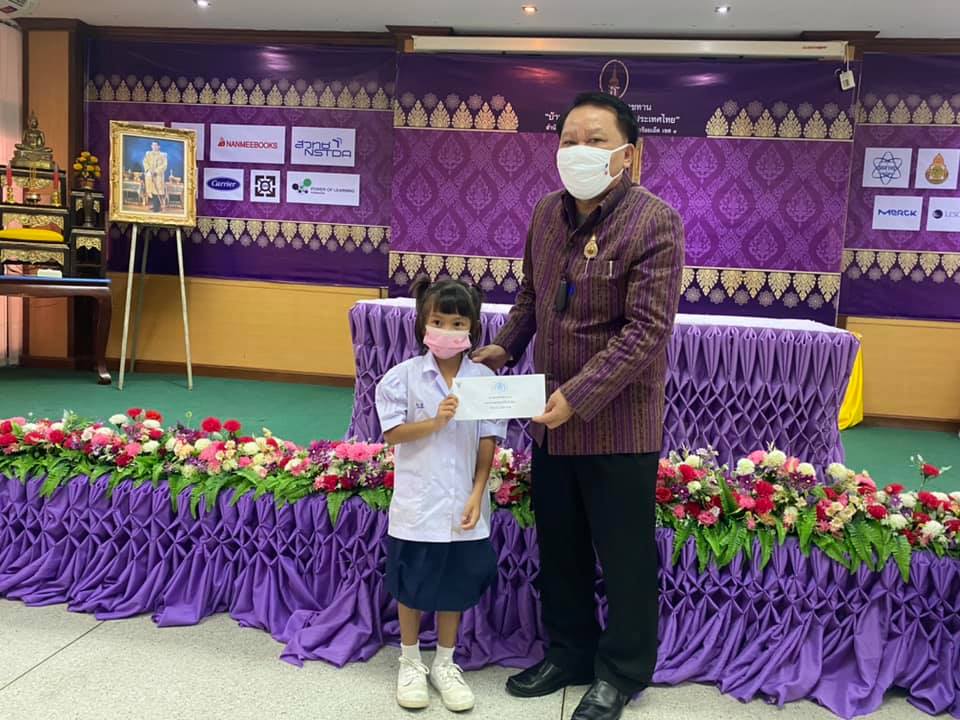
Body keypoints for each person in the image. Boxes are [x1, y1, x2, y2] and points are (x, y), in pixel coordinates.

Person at [473, 92, 685, 720]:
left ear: (629, 155)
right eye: (569, 139)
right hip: (552, 424)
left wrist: (578, 396)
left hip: (619, 426)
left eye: (595, 140)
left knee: (623, 558)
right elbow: (532, 299)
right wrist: (504, 348)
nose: (578, 151)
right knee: (560, 550)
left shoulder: (655, 222)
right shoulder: (545, 213)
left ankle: (621, 672)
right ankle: (569, 652)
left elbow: (646, 332)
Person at [375, 278, 507, 712]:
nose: (447, 330)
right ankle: (410, 660)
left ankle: (445, 664)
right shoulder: (403, 378)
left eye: (457, 323)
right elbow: (393, 433)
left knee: (455, 586)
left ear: (471, 328)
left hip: (463, 505)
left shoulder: (483, 380)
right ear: (423, 324)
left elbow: (488, 440)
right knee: (410, 584)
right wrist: (435, 421)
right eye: (438, 321)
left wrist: (477, 493)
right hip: (418, 503)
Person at [142, 141, 167, 212]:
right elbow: (145, 162)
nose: (154, 147)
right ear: (151, 146)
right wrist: (148, 170)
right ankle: (154, 205)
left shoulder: (163, 155)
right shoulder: (148, 154)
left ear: (159, 146)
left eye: (156, 145)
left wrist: (156, 171)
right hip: (150, 175)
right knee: (151, 190)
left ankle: (157, 208)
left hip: (158, 176)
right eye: (153, 145)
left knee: (157, 190)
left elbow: (164, 165)